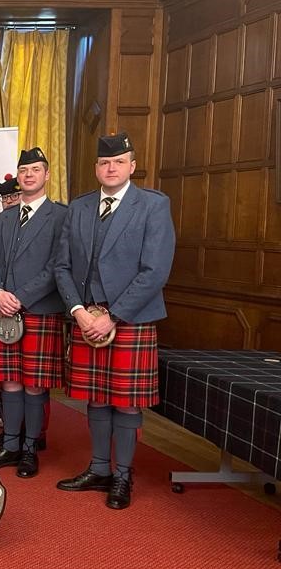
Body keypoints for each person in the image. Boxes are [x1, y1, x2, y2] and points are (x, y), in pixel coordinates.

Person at [53, 132, 175, 509]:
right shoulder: (79, 207)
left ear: (132, 167)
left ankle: (122, 476)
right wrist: (78, 311)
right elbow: (62, 266)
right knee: (96, 398)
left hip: (129, 320)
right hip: (87, 317)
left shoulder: (152, 206)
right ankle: (99, 468)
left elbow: (155, 271)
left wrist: (114, 316)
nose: (111, 168)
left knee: (125, 403)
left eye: (119, 162)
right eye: (105, 162)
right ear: (96, 168)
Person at [0, 148, 67, 478]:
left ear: (46, 175)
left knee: (33, 384)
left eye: (35, 169)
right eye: (24, 169)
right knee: (10, 381)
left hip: (38, 310)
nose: (28, 175)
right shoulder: (3, 219)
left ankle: (30, 448)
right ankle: (10, 445)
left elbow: (58, 265)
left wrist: (21, 297)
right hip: (2, 310)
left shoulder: (60, 216)